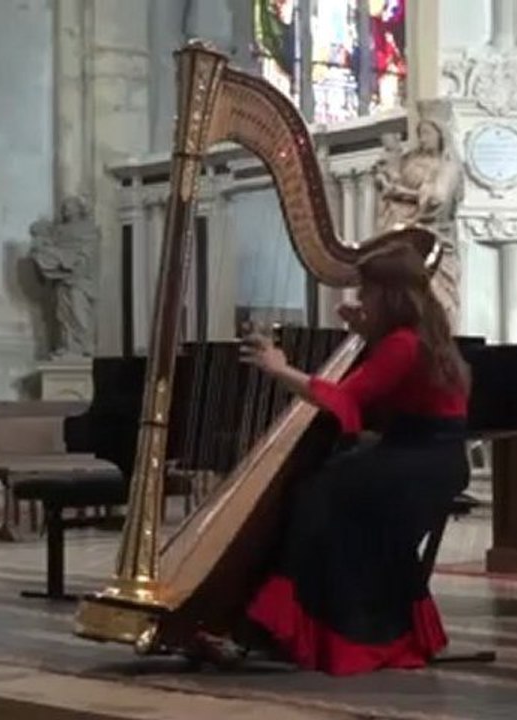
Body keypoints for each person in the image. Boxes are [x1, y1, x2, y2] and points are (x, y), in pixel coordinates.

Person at [189, 236, 471, 676]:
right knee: (330, 485)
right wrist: (365, 331)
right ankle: (271, 629)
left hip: (419, 461)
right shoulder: (421, 334)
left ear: (388, 295)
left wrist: (278, 367)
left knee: (317, 496)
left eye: (368, 293)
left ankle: (270, 630)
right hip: (430, 456)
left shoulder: (402, 343)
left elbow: (344, 400)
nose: (361, 300)